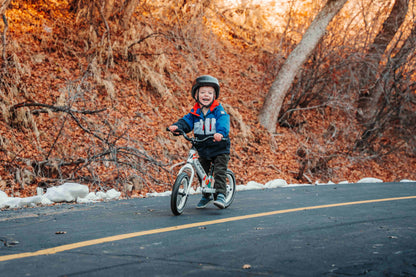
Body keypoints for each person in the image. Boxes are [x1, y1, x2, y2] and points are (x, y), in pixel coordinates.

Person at [168, 75, 231, 209]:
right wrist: (177, 127)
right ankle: (206, 195)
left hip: (219, 146)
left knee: (219, 171)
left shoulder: (218, 110)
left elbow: (223, 122)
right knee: (202, 170)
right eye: (202, 92)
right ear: (196, 95)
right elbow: (186, 121)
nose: (206, 95)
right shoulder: (195, 112)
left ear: (214, 95)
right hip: (202, 146)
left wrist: (220, 133)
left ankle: (221, 194)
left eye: (209, 92)